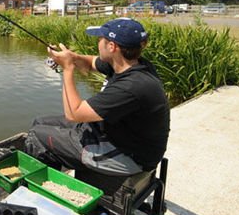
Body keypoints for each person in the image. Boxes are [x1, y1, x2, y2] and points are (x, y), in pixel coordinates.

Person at [25, 18, 170, 176]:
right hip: (114, 135)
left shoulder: (132, 86)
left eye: (100, 38)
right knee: (39, 122)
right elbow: (91, 62)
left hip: (127, 156)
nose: (97, 41)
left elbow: (74, 114)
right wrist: (71, 57)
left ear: (111, 47)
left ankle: (45, 189)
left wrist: (68, 68)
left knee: (37, 136)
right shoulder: (128, 63)